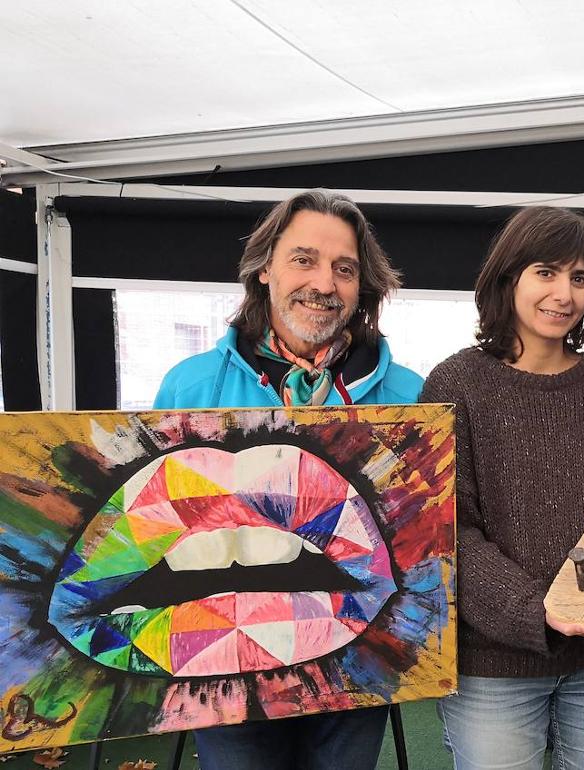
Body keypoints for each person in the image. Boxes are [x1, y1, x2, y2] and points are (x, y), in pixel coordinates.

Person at [154, 189, 423, 770]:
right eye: (304, 259)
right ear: (265, 269)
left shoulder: (411, 399)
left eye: (344, 269)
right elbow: (159, 523)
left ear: (363, 288)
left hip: (357, 653)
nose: (324, 283)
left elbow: (420, 541)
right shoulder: (189, 388)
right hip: (221, 656)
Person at [419, 206, 584, 770]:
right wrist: (536, 608)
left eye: (580, 277)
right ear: (509, 276)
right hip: (493, 668)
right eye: (546, 272)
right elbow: (447, 528)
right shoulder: (454, 384)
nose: (563, 293)